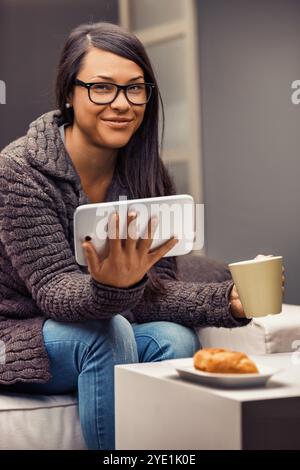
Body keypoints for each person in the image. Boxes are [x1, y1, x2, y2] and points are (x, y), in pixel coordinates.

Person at [0, 22, 279, 450]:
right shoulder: (18, 173)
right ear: (70, 95)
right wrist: (115, 284)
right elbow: (54, 292)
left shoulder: (146, 174)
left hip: (106, 323)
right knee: (106, 334)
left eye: (136, 89)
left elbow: (152, 291)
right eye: (102, 88)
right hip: (17, 334)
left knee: (175, 338)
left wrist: (225, 300)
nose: (122, 104)